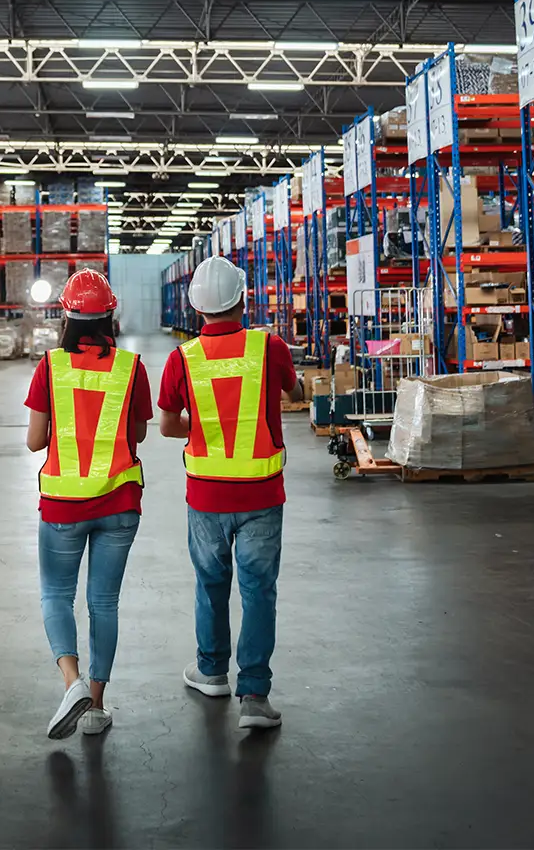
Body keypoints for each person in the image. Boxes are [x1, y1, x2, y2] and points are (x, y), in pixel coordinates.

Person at [155, 254, 301, 731]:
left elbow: (168, 425)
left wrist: (200, 424)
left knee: (211, 584)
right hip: (261, 495)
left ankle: (212, 670)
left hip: (207, 498)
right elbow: (295, 394)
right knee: (259, 591)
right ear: (243, 298)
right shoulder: (269, 347)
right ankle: (254, 696)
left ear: (196, 308)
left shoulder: (182, 358)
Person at [24, 268, 152, 740]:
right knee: (104, 601)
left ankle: (71, 682)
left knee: (57, 595)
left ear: (67, 316)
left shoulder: (50, 366)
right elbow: (136, 434)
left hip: (63, 506)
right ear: (111, 316)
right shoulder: (130, 367)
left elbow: (36, 440)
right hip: (119, 502)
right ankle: (96, 706)